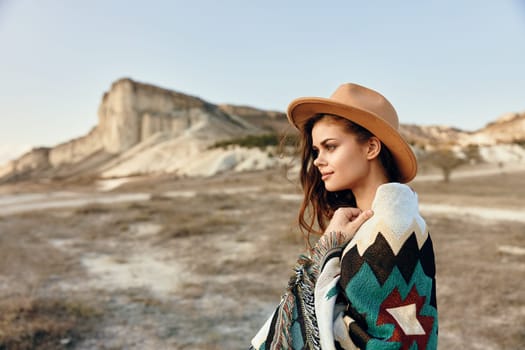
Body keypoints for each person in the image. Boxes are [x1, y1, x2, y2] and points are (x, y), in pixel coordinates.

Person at [250, 83, 438, 349]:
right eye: (316, 151)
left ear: (371, 148)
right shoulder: (373, 224)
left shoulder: (392, 230)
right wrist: (332, 242)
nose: (317, 161)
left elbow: (399, 340)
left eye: (330, 147)